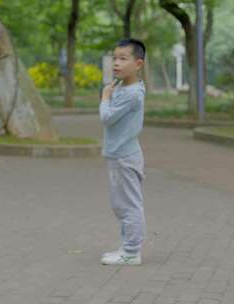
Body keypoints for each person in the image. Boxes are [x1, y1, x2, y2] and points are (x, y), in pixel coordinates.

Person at [99, 38, 147, 266]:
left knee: (128, 206)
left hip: (125, 157)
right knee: (121, 205)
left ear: (138, 64)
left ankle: (131, 253)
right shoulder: (125, 87)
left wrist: (105, 98)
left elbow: (107, 118)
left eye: (123, 59)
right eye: (115, 58)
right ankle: (126, 248)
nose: (116, 63)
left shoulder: (131, 93)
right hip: (120, 156)